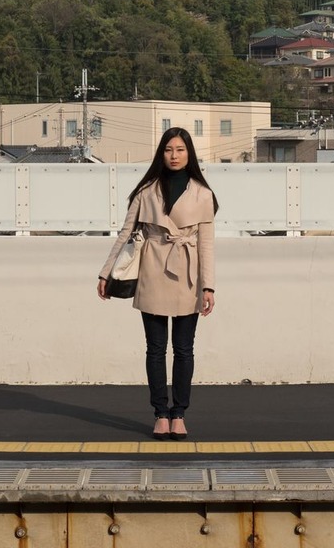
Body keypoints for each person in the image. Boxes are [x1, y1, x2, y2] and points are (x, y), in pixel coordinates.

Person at [97, 127, 218, 440]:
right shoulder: (146, 190)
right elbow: (125, 234)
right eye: (168, 150)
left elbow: (207, 245)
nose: (174, 156)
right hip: (152, 270)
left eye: (180, 150)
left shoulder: (203, 194)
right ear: (160, 153)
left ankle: (179, 414)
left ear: (189, 153)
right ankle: (160, 413)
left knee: (184, 349)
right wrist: (106, 272)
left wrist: (209, 286)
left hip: (188, 274)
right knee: (155, 349)